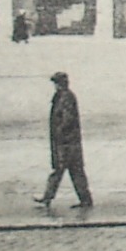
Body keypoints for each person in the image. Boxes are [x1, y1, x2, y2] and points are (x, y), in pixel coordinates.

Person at [36, 72, 92, 209]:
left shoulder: (65, 97)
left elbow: (67, 119)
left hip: (66, 143)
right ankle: (85, 200)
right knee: (76, 171)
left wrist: (59, 133)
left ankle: (47, 198)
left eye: (56, 83)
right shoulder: (63, 97)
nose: (55, 86)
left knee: (60, 170)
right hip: (69, 142)